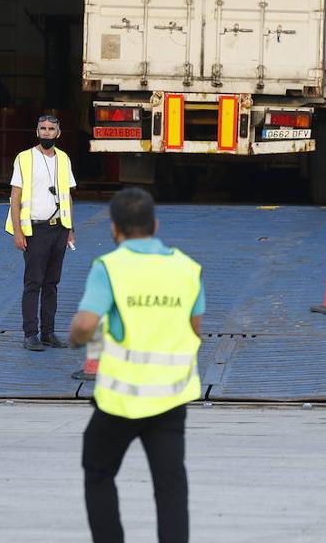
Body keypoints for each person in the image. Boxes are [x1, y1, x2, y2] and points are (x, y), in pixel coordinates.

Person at [69, 187, 205, 543]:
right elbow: (194, 328)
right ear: (155, 224)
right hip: (171, 398)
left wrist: (76, 338)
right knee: (170, 483)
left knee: (98, 471)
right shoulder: (187, 268)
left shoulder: (110, 267)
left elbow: (85, 325)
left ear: (115, 229)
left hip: (120, 400)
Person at [7, 113, 77, 352]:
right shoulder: (24, 159)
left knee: (52, 284)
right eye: (42, 128)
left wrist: (70, 229)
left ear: (58, 133)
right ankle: (30, 334)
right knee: (33, 283)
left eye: (51, 129)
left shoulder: (64, 159)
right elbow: (15, 197)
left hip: (59, 229)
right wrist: (18, 232)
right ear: (37, 132)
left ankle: (48, 333)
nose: (46, 132)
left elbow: (67, 196)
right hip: (34, 230)